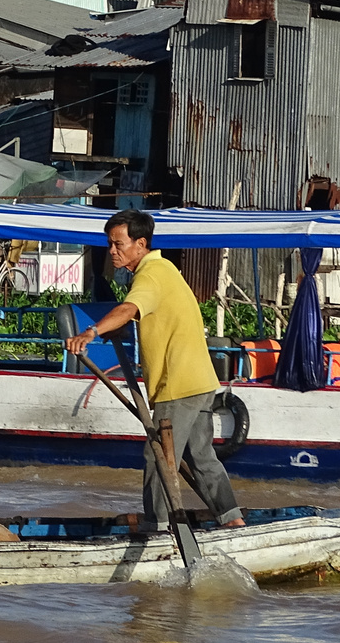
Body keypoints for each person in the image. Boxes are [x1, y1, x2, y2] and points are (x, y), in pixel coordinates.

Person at [64, 209, 245, 531]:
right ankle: (232, 520)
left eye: (119, 244)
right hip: (199, 381)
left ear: (141, 243)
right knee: (198, 457)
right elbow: (144, 312)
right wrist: (118, 329)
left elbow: (129, 307)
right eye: (110, 244)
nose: (113, 251)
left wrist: (91, 332)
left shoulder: (150, 273)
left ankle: (158, 528)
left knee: (158, 456)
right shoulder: (162, 270)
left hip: (177, 384)